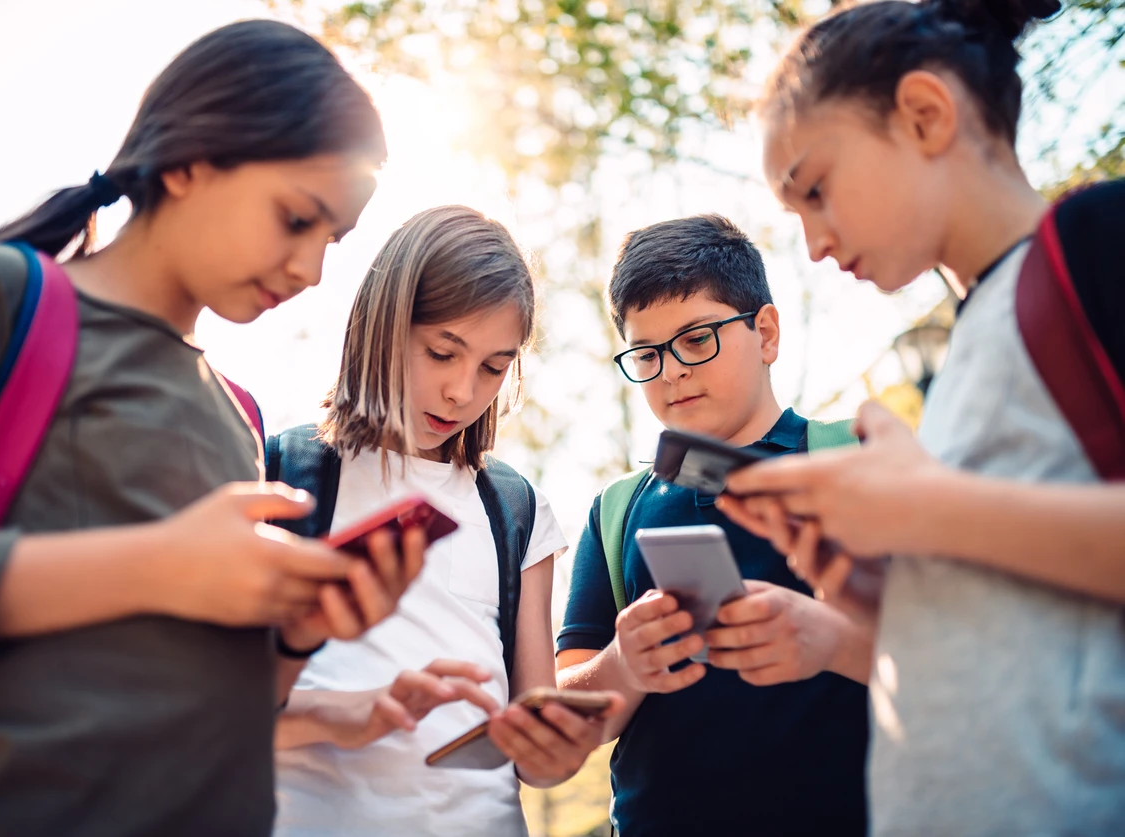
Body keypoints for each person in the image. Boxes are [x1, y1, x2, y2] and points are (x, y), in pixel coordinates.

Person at [0, 20, 422, 837]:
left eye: (333, 241)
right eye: (295, 218)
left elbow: (216, 694)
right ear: (191, 160)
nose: (311, 270)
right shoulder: (5, 300)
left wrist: (295, 636)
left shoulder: (240, 412)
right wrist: (152, 565)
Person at [716, 0, 1125, 832]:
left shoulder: (1096, 244)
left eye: (817, 190)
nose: (816, 245)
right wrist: (879, 589)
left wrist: (921, 507)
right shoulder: (974, 337)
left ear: (924, 115)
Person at [268, 205, 624, 837]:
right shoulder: (283, 473)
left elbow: (535, 760)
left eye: (493, 366)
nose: (464, 390)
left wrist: (559, 740)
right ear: (384, 324)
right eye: (442, 352)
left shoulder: (515, 509)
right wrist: (343, 714)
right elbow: (212, 712)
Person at [554, 214, 872, 837]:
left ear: (767, 333)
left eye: (697, 339)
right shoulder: (618, 510)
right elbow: (572, 702)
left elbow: (949, 652)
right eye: (647, 353)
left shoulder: (855, 463)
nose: (671, 371)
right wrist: (624, 664)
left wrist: (829, 639)